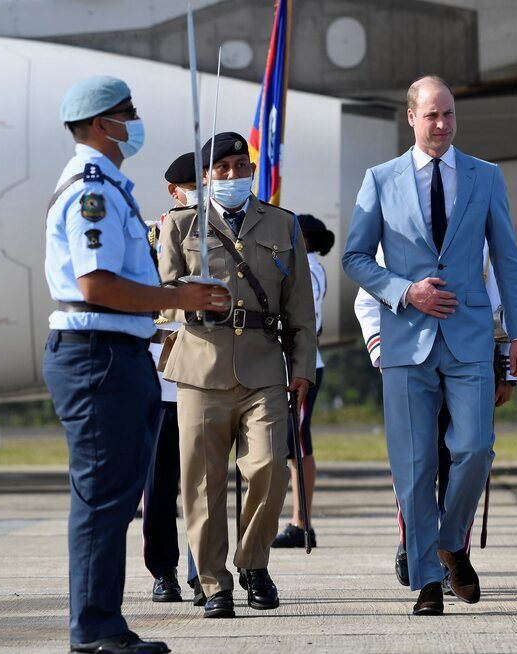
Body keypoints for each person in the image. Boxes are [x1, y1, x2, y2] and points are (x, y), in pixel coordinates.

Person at [44, 76, 227, 654]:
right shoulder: (90, 190)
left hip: (114, 355)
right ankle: (96, 632)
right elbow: (95, 283)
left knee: (115, 497)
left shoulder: (109, 186)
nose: (136, 121)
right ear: (103, 123)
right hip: (97, 356)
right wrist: (182, 299)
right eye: (129, 112)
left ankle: (101, 625)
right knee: (104, 498)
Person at [341, 75, 517, 616]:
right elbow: (355, 258)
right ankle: (426, 578)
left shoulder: (486, 177)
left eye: (449, 114)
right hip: (406, 340)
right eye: (432, 116)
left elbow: (509, 262)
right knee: (415, 464)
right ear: (411, 118)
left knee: (474, 449)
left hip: (470, 337)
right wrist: (406, 291)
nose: (442, 125)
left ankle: (450, 542)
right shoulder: (380, 179)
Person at [158, 131, 316, 619]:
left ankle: (253, 563)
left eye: (239, 167)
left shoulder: (284, 224)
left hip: (264, 365)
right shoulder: (181, 226)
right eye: (220, 169)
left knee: (269, 467)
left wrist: (303, 367)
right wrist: (191, 303)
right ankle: (214, 582)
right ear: (204, 178)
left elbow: (301, 309)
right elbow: (161, 301)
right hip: (201, 367)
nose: (231, 176)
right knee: (201, 483)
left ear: (251, 171)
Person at [354, 240, 516, 587]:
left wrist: (505, 368)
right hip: (411, 361)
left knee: (468, 459)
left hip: (470, 363)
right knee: (416, 462)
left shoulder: (482, 239)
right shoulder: (396, 235)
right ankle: (412, 541)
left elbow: (500, 306)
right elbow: (368, 297)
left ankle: (453, 550)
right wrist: (381, 351)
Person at [143, 153, 201, 605]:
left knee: (205, 482)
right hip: (163, 384)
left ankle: (205, 570)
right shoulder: (149, 235)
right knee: (160, 486)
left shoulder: (223, 232)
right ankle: (164, 571)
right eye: (192, 184)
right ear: (174, 191)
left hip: (207, 379)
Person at [272, 214, 335, 548]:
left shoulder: (307, 270)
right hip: (298, 365)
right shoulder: (306, 267)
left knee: (297, 444)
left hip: (300, 366)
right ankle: (300, 519)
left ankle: (301, 521)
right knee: (295, 443)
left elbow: (300, 320)